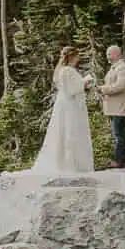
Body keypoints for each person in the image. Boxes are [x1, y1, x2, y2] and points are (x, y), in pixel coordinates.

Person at [32, 46, 95, 175]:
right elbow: (71, 90)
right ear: (72, 56)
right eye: (77, 55)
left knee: (65, 130)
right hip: (70, 106)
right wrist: (85, 81)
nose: (79, 58)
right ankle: (71, 164)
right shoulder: (67, 71)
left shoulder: (63, 70)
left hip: (64, 104)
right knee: (70, 130)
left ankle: (67, 162)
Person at [97, 44, 125, 167]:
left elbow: (120, 86)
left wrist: (104, 89)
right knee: (119, 134)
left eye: (108, 54)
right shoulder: (114, 68)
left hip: (120, 107)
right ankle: (123, 161)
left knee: (118, 134)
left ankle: (118, 161)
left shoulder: (123, 68)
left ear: (116, 54)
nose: (107, 56)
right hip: (114, 107)